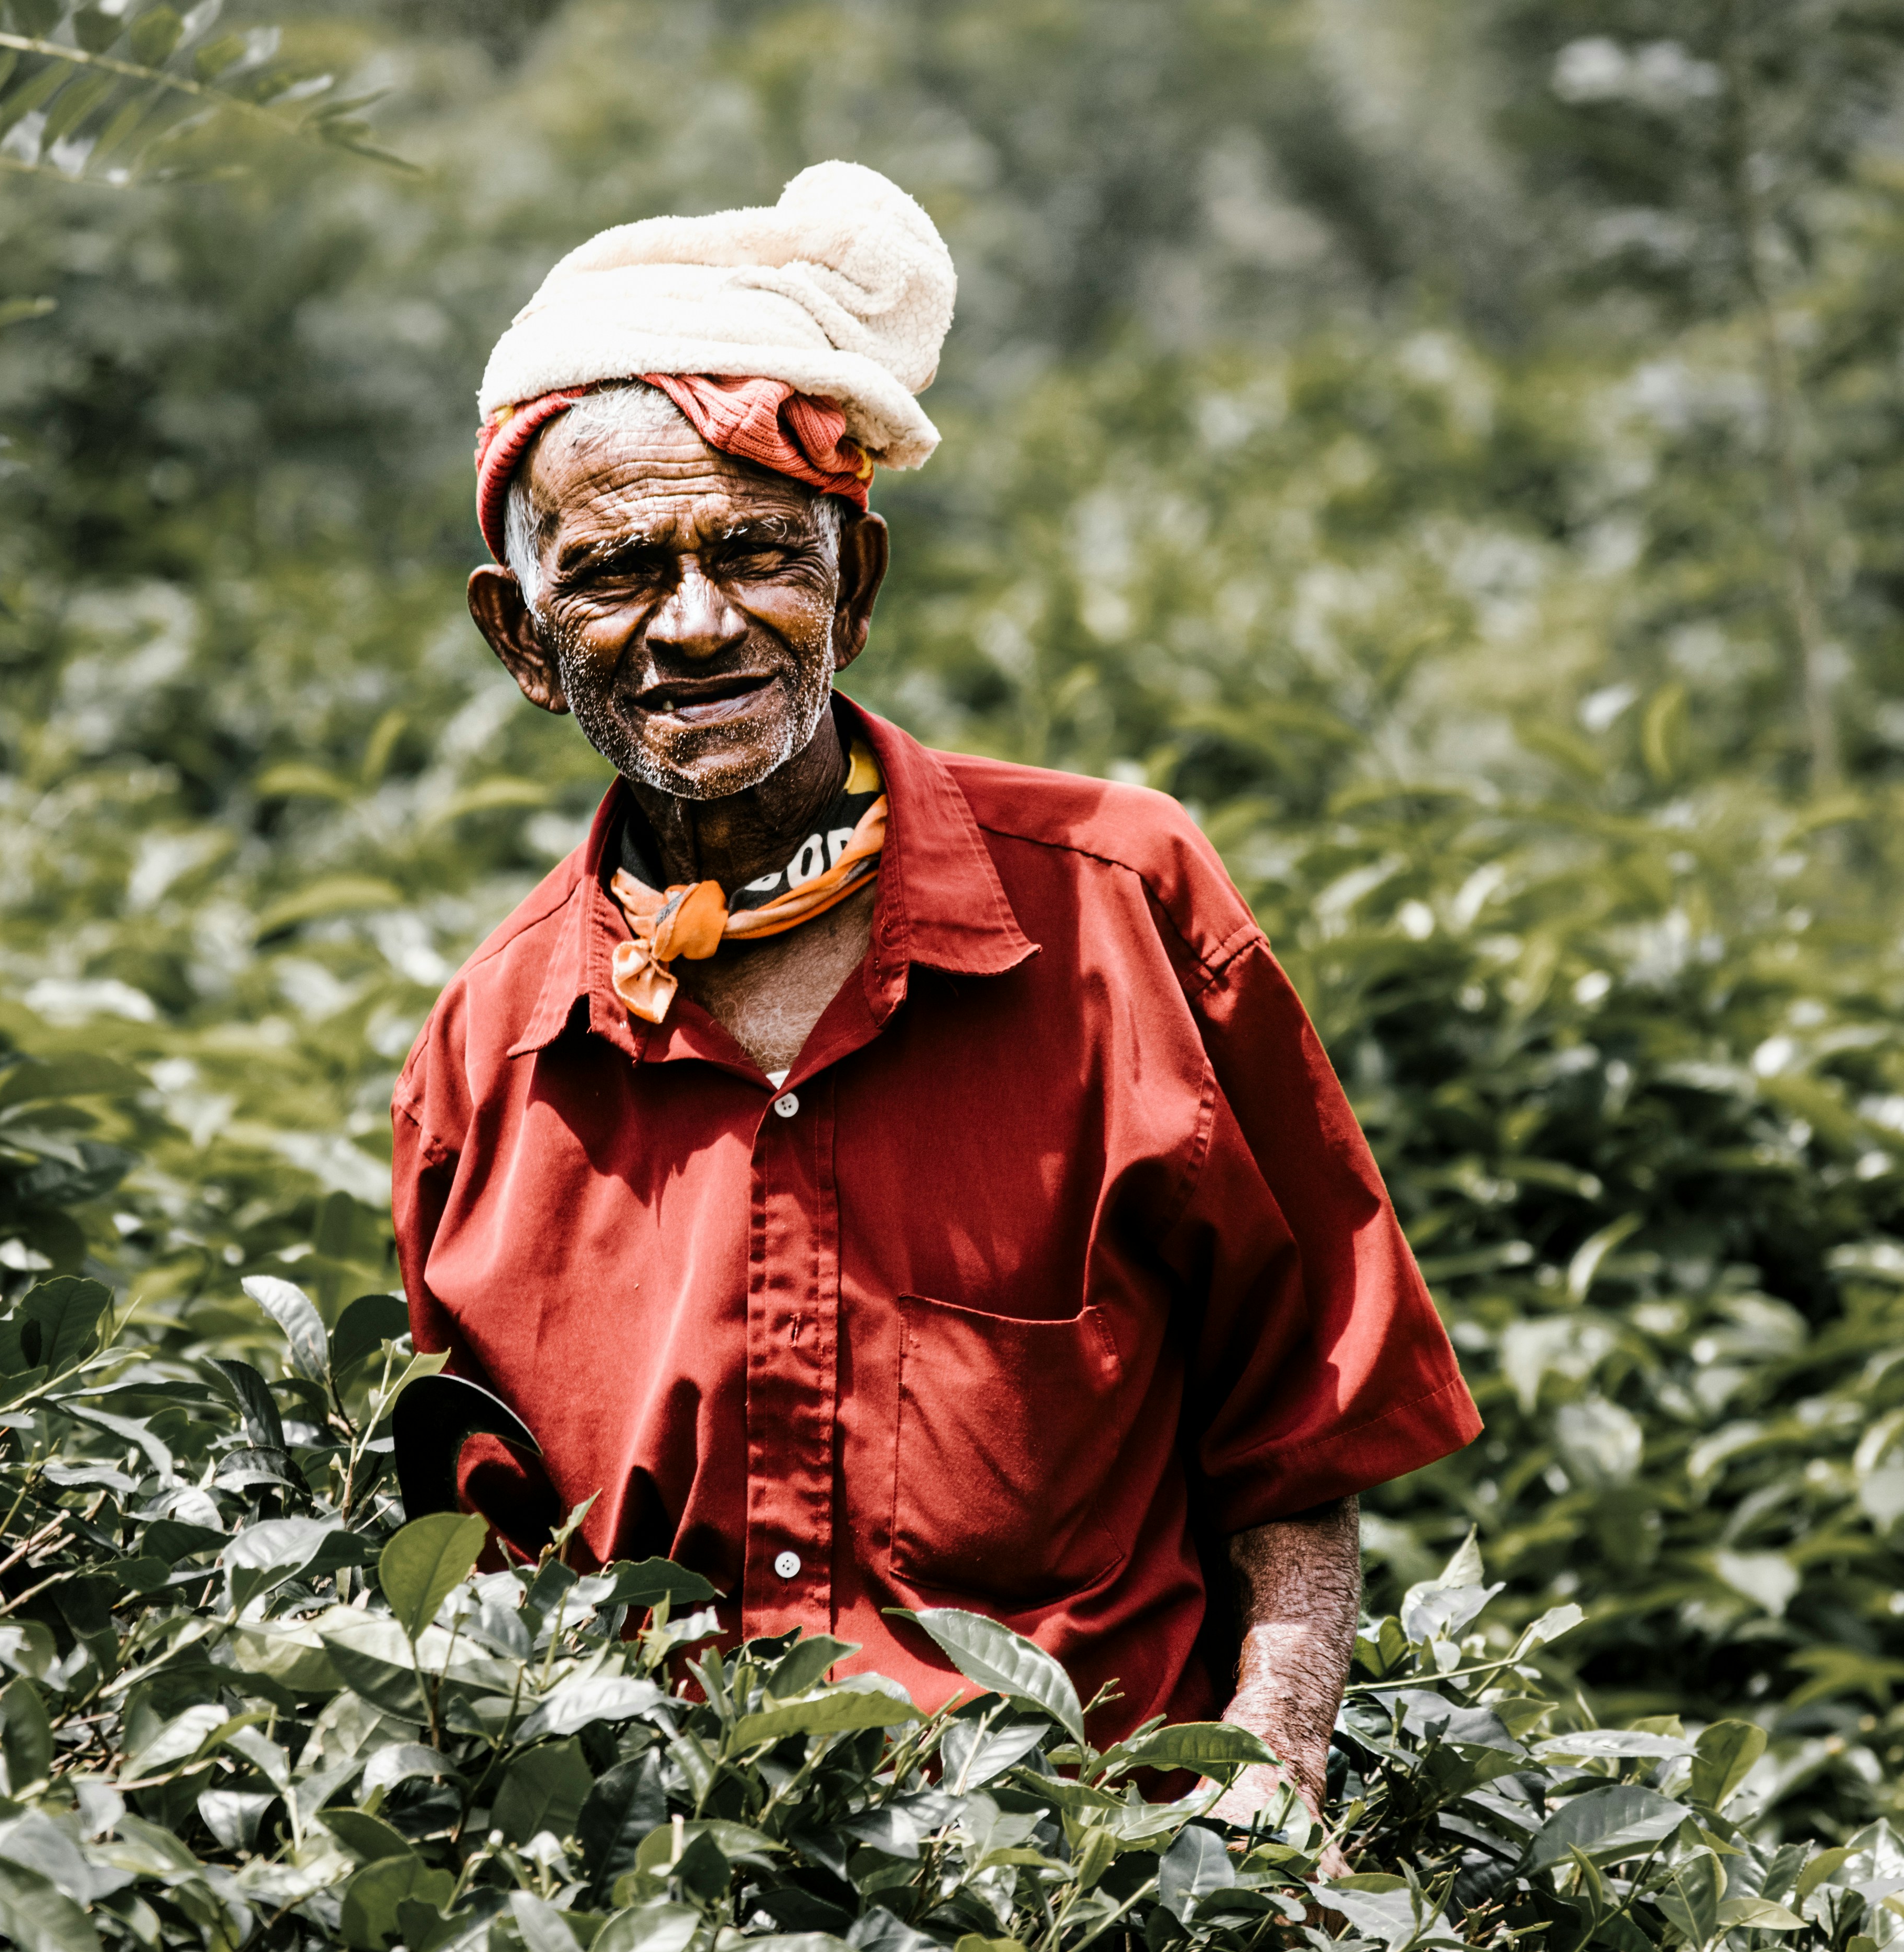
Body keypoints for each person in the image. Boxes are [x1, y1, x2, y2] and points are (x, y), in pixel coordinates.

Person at [391, 160, 1480, 1836]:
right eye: (613, 575)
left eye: (758, 550)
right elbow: (482, 1582)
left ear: (857, 588)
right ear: (526, 644)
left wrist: (1275, 1762)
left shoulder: (1124, 900)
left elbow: (1296, 1433)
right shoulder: (492, 1055)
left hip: (1101, 1901)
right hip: (685, 1930)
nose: (696, 623)